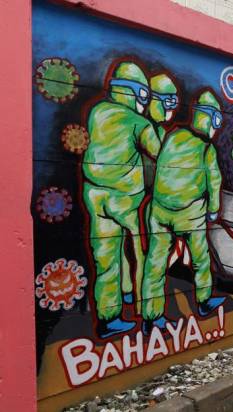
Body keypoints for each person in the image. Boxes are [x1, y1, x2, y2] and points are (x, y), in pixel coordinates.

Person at [82, 61, 162, 338]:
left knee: (106, 259)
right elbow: (162, 154)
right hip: (127, 200)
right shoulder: (138, 122)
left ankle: (108, 318)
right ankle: (144, 310)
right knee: (143, 254)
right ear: (137, 93)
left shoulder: (97, 112)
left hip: (95, 195)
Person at [141, 89, 225, 335]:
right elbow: (215, 182)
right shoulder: (206, 148)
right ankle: (203, 301)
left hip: (159, 211)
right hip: (190, 214)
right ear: (211, 119)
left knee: (155, 264)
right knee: (200, 260)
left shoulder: (172, 135)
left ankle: (150, 317)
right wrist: (213, 210)